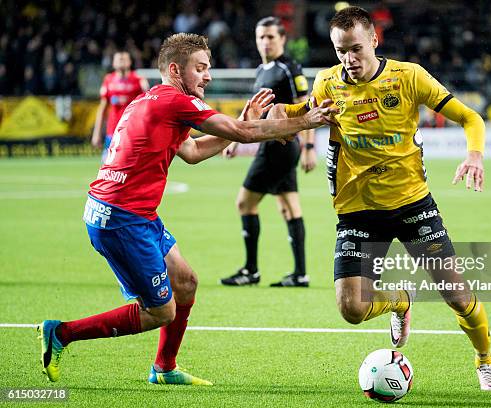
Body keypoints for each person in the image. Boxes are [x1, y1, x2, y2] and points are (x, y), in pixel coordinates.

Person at [37, 33, 337, 385]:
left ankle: (164, 367)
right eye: (201, 68)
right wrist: (306, 121)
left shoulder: (153, 101)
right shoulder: (174, 103)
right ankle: (62, 334)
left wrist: (243, 125)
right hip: (120, 218)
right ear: (176, 70)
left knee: (186, 283)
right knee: (161, 312)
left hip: (134, 213)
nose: (208, 76)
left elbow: (193, 152)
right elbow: (241, 132)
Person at [270, 7, 491, 391]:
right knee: (351, 309)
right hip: (357, 212)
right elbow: (303, 114)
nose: (349, 60)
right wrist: (282, 113)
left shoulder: (409, 76)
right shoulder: (328, 82)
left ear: (374, 41)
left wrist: (475, 154)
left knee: (458, 296)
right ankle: (400, 300)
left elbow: (470, 118)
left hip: (412, 205)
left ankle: (485, 360)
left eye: (356, 49)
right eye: (340, 51)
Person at [220, 17, 317, 288]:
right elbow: (254, 114)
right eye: (261, 36)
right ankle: (300, 274)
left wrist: (309, 147)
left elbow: (306, 109)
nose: (265, 41)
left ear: (282, 39)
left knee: (244, 203)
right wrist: (234, 139)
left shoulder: (290, 69)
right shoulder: (262, 70)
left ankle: (251, 270)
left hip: (280, 146)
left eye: (271, 37)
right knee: (288, 207)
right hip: (274, 146)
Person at [91, 51, 149, 161]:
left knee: (131, 164)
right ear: (113, 63)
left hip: (133, 131)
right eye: (118, 59)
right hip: (113, 131)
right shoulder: (108, 80)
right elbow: (102, 108)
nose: (121, 60)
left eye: (124, 59)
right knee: (109, 164)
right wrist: (96, 133)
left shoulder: (139, 80)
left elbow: (147, 107)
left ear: (130, 62)